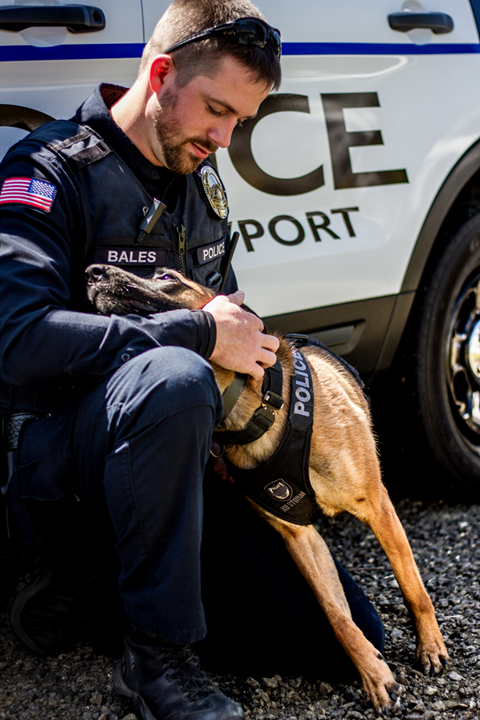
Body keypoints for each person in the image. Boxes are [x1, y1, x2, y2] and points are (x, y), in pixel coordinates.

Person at [0, 2, 385, 719]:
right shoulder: (50, 170)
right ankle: (154, 660)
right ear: (161, 74)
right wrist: (196, 337)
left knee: (350, 642)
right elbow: (18, 344)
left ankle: (99, 595)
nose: (225, 136)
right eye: (216, 110)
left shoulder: (200, 179)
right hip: (64, 466)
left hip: (176, 456)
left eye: (240, 120)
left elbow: (231, 326)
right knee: (176, 379)